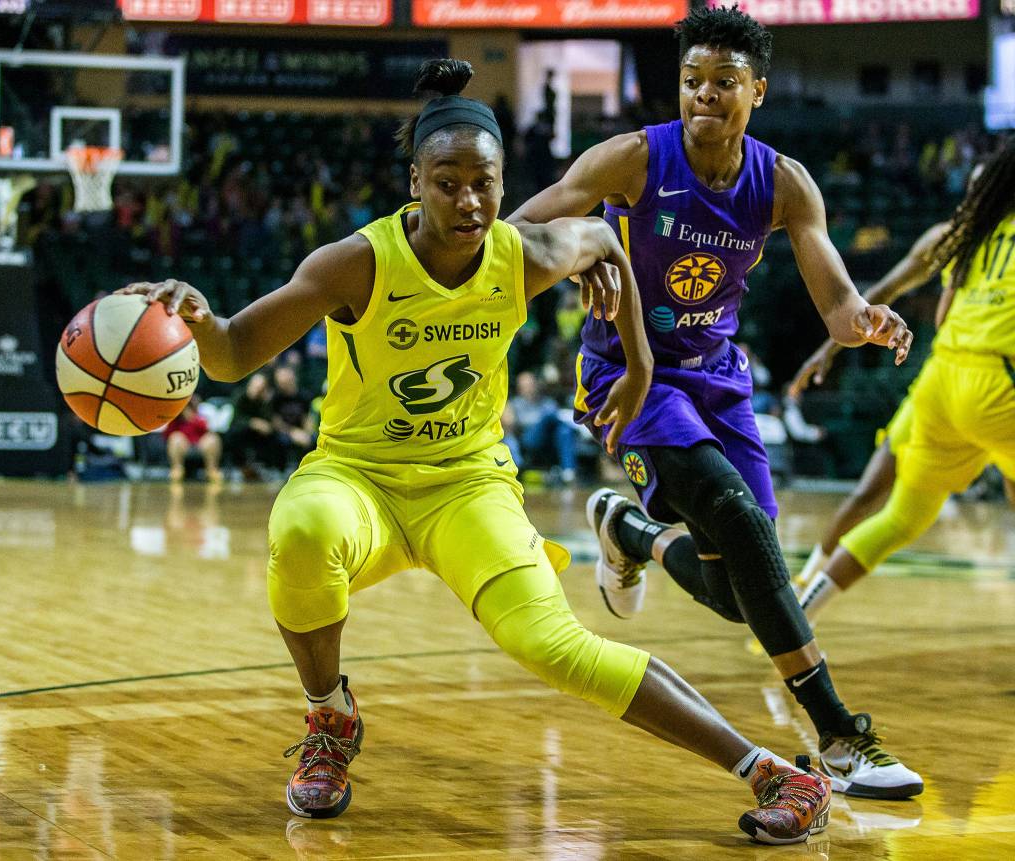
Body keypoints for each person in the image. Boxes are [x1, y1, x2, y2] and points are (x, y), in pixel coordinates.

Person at [121, 58, 832, 846]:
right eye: (448, 182)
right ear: (415, 182)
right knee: (301, 532)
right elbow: (231, 354)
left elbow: (605, 236)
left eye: (485, 184)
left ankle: (774, 771)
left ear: (502, 184)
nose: (469, 201)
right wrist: (199, 320)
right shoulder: (354, 263)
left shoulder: (525, 252)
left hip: (469, 485)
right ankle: (330, 716)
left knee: (554, 647)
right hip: (359, 477)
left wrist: (639, 365)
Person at [510, 5, 921, 799]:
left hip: (719, 382)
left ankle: (626, 529)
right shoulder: (633, 158)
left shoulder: (784, 183)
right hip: (631, 376)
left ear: (756, 90)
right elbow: (524, 226)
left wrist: (865, 319)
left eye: (723, 81)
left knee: (741, 593)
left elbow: (838, 304)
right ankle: (840, 737)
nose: (704, 93)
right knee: (735, 517)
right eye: (692, 79)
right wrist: (581, 252)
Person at [790, 135, 1015, 623]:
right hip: (997, 385)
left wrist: (831, 347)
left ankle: (799, 602)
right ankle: (801, 588)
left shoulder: (959, 234)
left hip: (943, 379)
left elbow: (914, 301)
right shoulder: (964, 234)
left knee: (889, 509)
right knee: (884, 503)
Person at [508, 370, 578, 484]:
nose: (529, 388)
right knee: (550, 416)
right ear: (519, 388)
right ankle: (577, 425)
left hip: (549, 439)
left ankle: (568, 472)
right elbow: (514, 425)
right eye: (525, 386)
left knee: (564, 430)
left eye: (530, 384)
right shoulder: (515, 404)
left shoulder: (547, 402)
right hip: (528, 438)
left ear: (536, 385)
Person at [163, 393, 223, 483]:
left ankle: (212, 470)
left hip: (200, 444)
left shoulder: (200, 416)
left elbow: (206, 429)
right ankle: (177, 469)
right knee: (175, 438)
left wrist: (192, 419)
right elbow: (167, 435)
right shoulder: (176, 419)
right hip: (184, 445)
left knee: (213, 438)